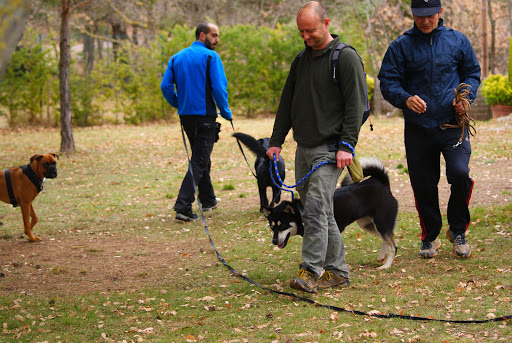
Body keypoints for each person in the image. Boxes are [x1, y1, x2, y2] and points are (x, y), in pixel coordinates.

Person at [266, 1, 366, 293]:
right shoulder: (301, 60)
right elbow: (287, 102)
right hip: (304, 149)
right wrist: (276, 142)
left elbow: (355, 107)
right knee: (320, 212)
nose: (305, 37)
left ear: (326, 23)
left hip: (331, 150)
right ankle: (338, 271)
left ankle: (310, 271)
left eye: (310, 31)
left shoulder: (345, 58)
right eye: (301, 32)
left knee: (313, 210)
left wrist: (347, 145)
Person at [378, 0, 480, 259]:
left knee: (460, 174)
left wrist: (465, 96)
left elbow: (472, 73)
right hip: (418, 128)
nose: (425, 21)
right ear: (413, 14)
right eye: (420, 16)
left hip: (453, 126)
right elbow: (388, 81)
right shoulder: (400, 46)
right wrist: (405, 98)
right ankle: (430, 236)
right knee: (423, 184)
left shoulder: (457, 41)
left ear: (440, 13)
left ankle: (457, 230)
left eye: (430, 16)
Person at [161, 21, 232, 221]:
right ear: (202, 35)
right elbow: (219, 88)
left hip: (186, 117)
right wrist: (226, 112)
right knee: (199, 160)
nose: (217, 40)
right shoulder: (211, 57)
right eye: (214, 36)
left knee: (201, 157)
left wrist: (179, 103)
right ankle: (183, 207)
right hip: (205, 117)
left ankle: (208, 199)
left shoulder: (176, 58)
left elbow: (165, 87)